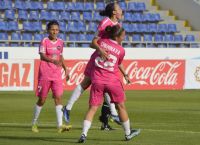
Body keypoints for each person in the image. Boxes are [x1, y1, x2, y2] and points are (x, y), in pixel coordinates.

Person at [63, 2, 126, 130]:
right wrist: (101, 50)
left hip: (107, 61)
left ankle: (112, 114)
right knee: (87, 83)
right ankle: (68, 107)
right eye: (119, 9)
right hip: (98, 59)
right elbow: (93, 42)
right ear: (114, 12)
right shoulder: (105, 22)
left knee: (102, 84)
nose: (121, 10)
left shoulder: (118, 25)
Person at [78, 25, 140, 143]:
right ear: (117, 37)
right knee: (121, 107)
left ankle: (83, 134)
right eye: (123, 35)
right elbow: (119, 62)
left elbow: (93, 42)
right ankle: (128, 133)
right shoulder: (121, 50)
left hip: (97, 80)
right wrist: (125, 74)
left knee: (92, 108)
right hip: (112, 81)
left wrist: (100, 49)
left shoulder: (101, 42)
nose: (124, 37)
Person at [31, 20, 71, 133]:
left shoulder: (61, 42)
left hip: (56, 74)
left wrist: (66, 69)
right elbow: (42, 56)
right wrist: (53, 61)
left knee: (58, 97)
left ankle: (60, 125)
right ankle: (34, 123)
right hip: (45, 74)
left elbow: (61, 57)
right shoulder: (44, 41)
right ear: (48, 30)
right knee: (42, 99)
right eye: (53, 29)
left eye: (57, 30)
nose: (55, 32)